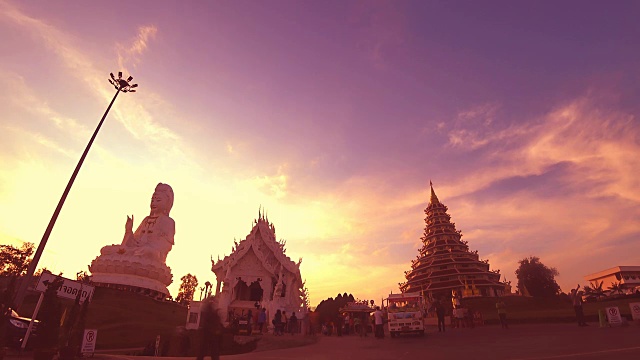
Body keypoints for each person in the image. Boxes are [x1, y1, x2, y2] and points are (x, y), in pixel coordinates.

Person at [100, 183, 175, 263]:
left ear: (167, 204)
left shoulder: (168, 222)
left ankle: (128, 259)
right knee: (106, 250)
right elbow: (133, 242)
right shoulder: (146, 219)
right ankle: (128, 258)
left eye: (158, 200)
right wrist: (128, 231)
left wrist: (148, 247)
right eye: (152, 200)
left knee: (145, 251)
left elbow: (164, 246)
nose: (154, 203)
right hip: (135, 250)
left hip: (150, 253)